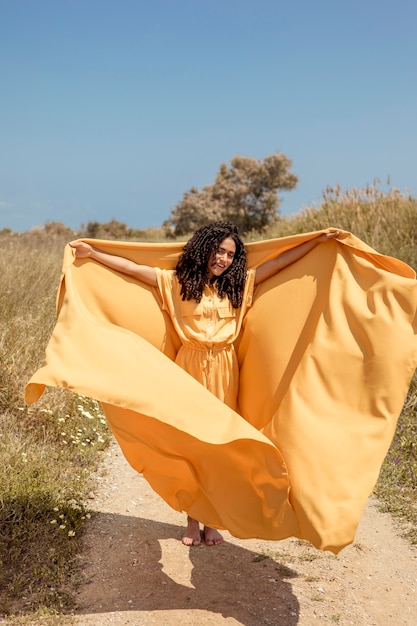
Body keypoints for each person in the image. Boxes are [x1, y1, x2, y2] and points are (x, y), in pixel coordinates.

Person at [70, 222, 339, 547]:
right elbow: (132, 268)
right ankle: (192, 521)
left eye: (230, 254)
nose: (223, 259)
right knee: (192, 447)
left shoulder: (239, 286)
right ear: (204, 249)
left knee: (220, 448)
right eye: (219, 250)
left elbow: (278, 264)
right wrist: (93, 253)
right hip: (189, 369)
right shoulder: (176, 284)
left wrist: (317, 241)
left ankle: (213, 522)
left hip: (226, 371)